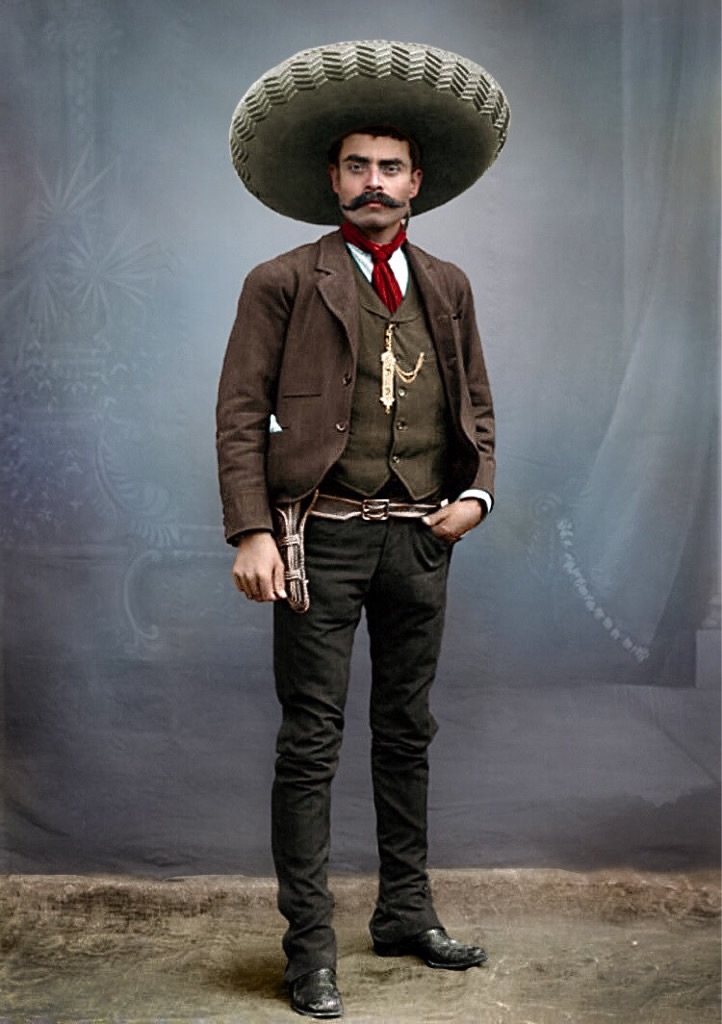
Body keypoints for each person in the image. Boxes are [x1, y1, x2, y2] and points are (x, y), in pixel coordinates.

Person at [217, 40, 509, 1019]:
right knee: (310, 740)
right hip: (319, 538)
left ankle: (402, 911)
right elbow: (237, 413)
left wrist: (476, 495)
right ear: (331, 178)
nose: (372, 183)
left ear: (415, 180)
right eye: (355, 166)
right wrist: (251, 532)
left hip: (420, 539)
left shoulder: (449, 285)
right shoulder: (281, 281)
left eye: (389, 167)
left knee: (406, 730)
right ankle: (309, 949)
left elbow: (475, 403)